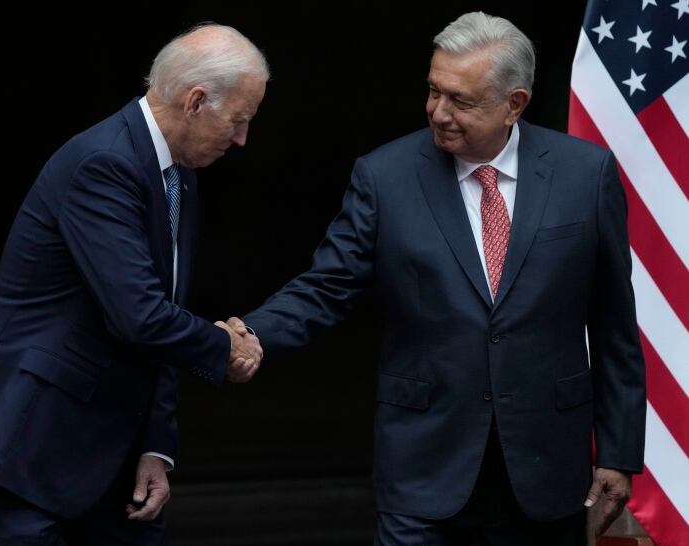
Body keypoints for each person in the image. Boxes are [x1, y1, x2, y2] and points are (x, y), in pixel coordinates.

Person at [232, 12, 646, 546]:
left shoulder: (585, 175)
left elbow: (614, 323)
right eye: (433, 91)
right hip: (424, 468)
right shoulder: (385, 176)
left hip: (546, 468)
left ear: (513, 104)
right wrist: (250, 334)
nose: (438, 112)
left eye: (462, 101)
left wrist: (617, 451)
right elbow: (327, 286)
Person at [0, 23, 266, 545]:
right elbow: (141, 316)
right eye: (239, 119)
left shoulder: (178, 173)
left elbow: (161, 316)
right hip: (30, 450)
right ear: (197, 101)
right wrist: (224, 346)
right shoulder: (104, 164)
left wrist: (156, 445)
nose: (242, 138)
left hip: (116, 457)